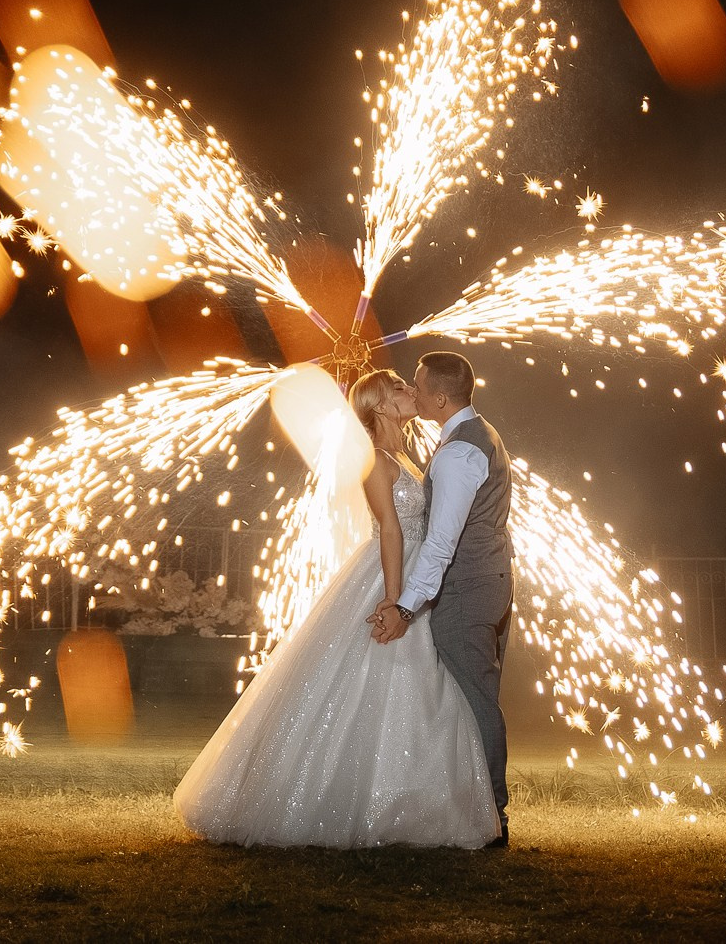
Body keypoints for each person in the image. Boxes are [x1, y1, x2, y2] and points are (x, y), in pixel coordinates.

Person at [173, 367, 500, 848]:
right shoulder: (374, 460)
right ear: (381, 407)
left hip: (416, 575)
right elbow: (390, 527)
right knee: (392, 678)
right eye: (399, 389)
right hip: (395, 574)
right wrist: (393, 598)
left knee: (420, 684)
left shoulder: (406, 457)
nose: (411, 392)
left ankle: (410, 794)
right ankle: (367, 798)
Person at [371, 349, 514, 848]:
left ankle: (493, 815)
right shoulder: (479, 436)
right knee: (469, 698)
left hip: (466, 589)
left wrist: (406, 606)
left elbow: (441, 541)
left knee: (475, 702)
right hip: (489, 580)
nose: (411, 388)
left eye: (417, 383)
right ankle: (473, 805)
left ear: (438, 397)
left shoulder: (457, 452)